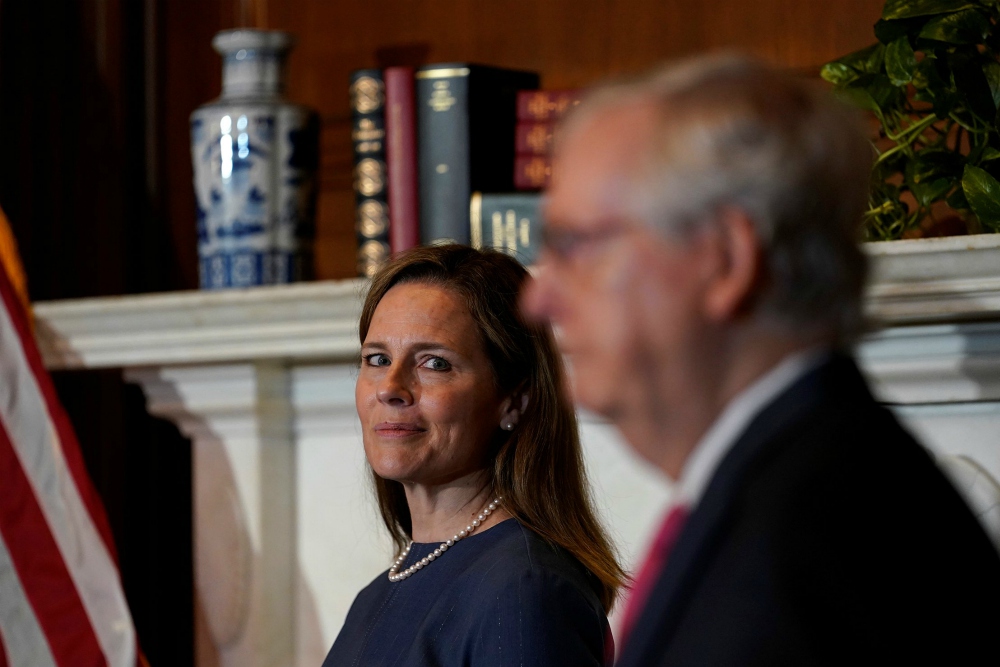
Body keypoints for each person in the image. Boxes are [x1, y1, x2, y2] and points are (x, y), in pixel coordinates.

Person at [521, 54, 1000, 666]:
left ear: (723, 260)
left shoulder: (825, 531)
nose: (539, 296)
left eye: (575, 246)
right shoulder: (786, 483)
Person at [322, 244, 624, 666]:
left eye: (434, 363)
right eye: (377, 359)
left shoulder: (523, 592)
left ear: (514, 400)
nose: (390, 387)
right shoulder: (376, 596)